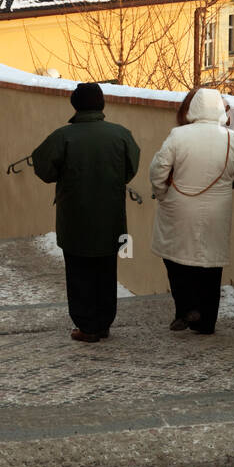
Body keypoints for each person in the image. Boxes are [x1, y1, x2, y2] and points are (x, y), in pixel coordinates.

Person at [149, 87, 234, 335]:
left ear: (193, 109)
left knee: (176, 258)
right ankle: (206, 321)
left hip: (177, 207)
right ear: (220, 109)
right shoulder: (231, 138)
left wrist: (161, 193)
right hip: (216, 211)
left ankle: (186, 307)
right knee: (210, 264)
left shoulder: (178, 135)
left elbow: (158, 169)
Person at [32, 82, 140, 343]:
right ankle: (103, 322)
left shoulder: (63, 137)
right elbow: (130, 169)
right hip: (111, 217)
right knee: (106, 270)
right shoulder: (121, 135)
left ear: (75, 105)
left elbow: (43, 168)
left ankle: (87, 325)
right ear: (102, 104)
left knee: (79, 272)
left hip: (75, 219)